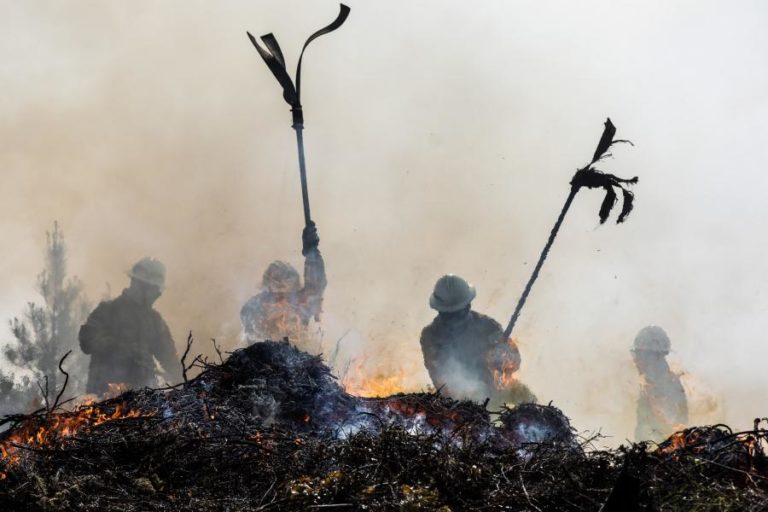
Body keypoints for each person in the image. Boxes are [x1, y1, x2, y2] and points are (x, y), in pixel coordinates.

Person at [419, 274, 535, 406]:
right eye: (450, 314)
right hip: (460, 402)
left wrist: (504, 356)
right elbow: (441, 378)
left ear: (467, 306)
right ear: (440, 311)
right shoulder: (431, 336)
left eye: (458, 311)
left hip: (494, 388)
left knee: (527, 397)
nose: (455, 318)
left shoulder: (488, 326)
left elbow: (514, 362)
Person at [79, 257, 181, 396]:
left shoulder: (155, 321)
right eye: (153, 289)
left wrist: (181, 379)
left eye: (157, 290)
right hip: (104, 396)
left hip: (143, 397)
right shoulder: (108, 311)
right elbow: (86, 340)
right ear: (138, 285)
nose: (156, 294)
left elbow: (169, 357)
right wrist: (118, 347)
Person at [240, 222, 327, 353]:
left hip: (299, 365)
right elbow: (254, 341)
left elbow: (315, 285)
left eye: (288, 295)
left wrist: (312, 254)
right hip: (263, 366)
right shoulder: (252, 308)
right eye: (277, 294)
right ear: (267, 291)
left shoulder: (298, 306)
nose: (282, 301)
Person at [632, 325, 688, 442]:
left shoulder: (668, 386)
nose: (635, 360)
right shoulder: (650, 385)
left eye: (639, 354)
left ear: (652, 357)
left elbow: (673, 429)